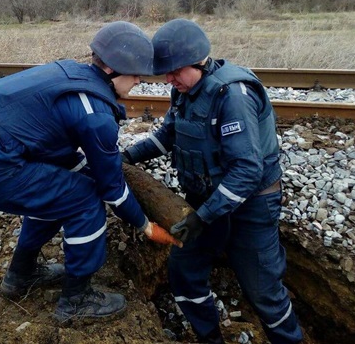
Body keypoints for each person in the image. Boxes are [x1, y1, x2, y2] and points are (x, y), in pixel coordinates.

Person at [0, 21, 181, 323]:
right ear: (112, 70)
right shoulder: (95, 115)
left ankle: (22, 274)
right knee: (84, 199)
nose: (138, 80)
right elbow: (112, 189)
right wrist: (145, 225)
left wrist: (90, 171)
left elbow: (53, 148)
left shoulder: (71, 74)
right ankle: (76, 300)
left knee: (61, 190)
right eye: (135, 73)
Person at [122, 19, 303, 344]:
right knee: (183, 271)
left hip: (251, 205)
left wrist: (201, 218)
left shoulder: (232, 95)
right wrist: (128, 157)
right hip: (208, 201)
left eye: (175, 71)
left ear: (199, 60)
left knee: (263, 291)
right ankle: (210, 338)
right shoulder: (185, 92)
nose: (169, 79)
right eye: (166, 72)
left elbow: (248, 170)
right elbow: (168, 136)